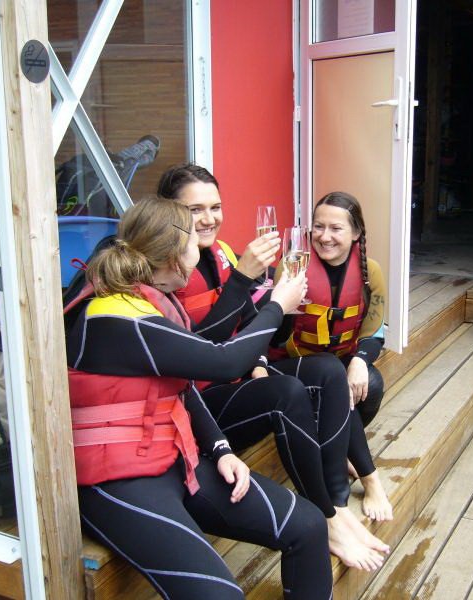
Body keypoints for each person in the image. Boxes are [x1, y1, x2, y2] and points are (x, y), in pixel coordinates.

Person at [63, 197, 333, 599]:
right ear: (175, 258)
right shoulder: (115, 316)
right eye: (194, 241)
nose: (202, 248)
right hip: (117, 481)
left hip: (174, 458)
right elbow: (224, 362)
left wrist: (221, 449)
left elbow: (183, 386)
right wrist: (278, 305)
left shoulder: (151, 300)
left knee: (308, 525)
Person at [157, 165, 391, 555]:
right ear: (169, 211)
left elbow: (249, 322)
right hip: (199, 403)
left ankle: (337, 499)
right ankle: (326, 515)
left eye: (215, 207)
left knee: (329, 370)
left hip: (237, 378)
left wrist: (262, 354)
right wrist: (250, 285)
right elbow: (198, 354)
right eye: (195, 209)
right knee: (288, 393)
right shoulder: (165, 270)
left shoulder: (222, 253)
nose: (209, 218)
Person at [271, 191, 391, 522]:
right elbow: (274, 336)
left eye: (336, 228)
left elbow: (375, 332)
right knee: (333, 380)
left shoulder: (370, 272)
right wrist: (287, 303)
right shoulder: (293, 266)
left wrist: (360, 361)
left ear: (356, 233)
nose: (325, 236)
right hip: (292, 363)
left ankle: (338, 449)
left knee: (371, 385)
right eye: (318, 227)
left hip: (337, 362)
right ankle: (370, 478)